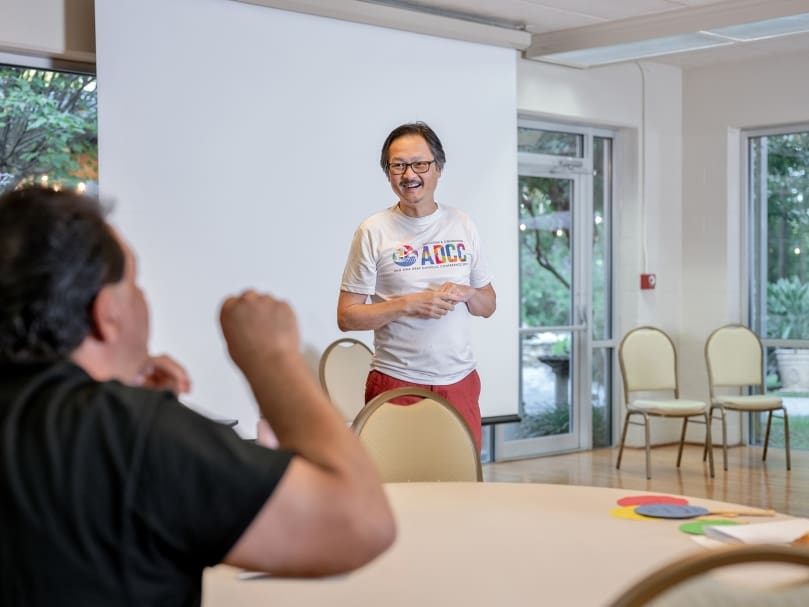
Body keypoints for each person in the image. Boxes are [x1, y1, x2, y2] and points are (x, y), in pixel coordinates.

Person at [0, 186, 395, 607]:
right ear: (106, 313)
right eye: (135, 284)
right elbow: (360, 522)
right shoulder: (132, 435)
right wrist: (274, 358)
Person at [337, 121, 496, 449]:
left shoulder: (462, 224)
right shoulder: (373, 231)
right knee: (398, 490)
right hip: (396, 382)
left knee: (461, 487)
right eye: (398, 165)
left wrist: (467, 293)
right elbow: (347, 317)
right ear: (388, 173)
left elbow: (488, 305)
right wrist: (407, 304)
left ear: (438, 168)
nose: (409, 174)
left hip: (460, 383)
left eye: (420, 164)